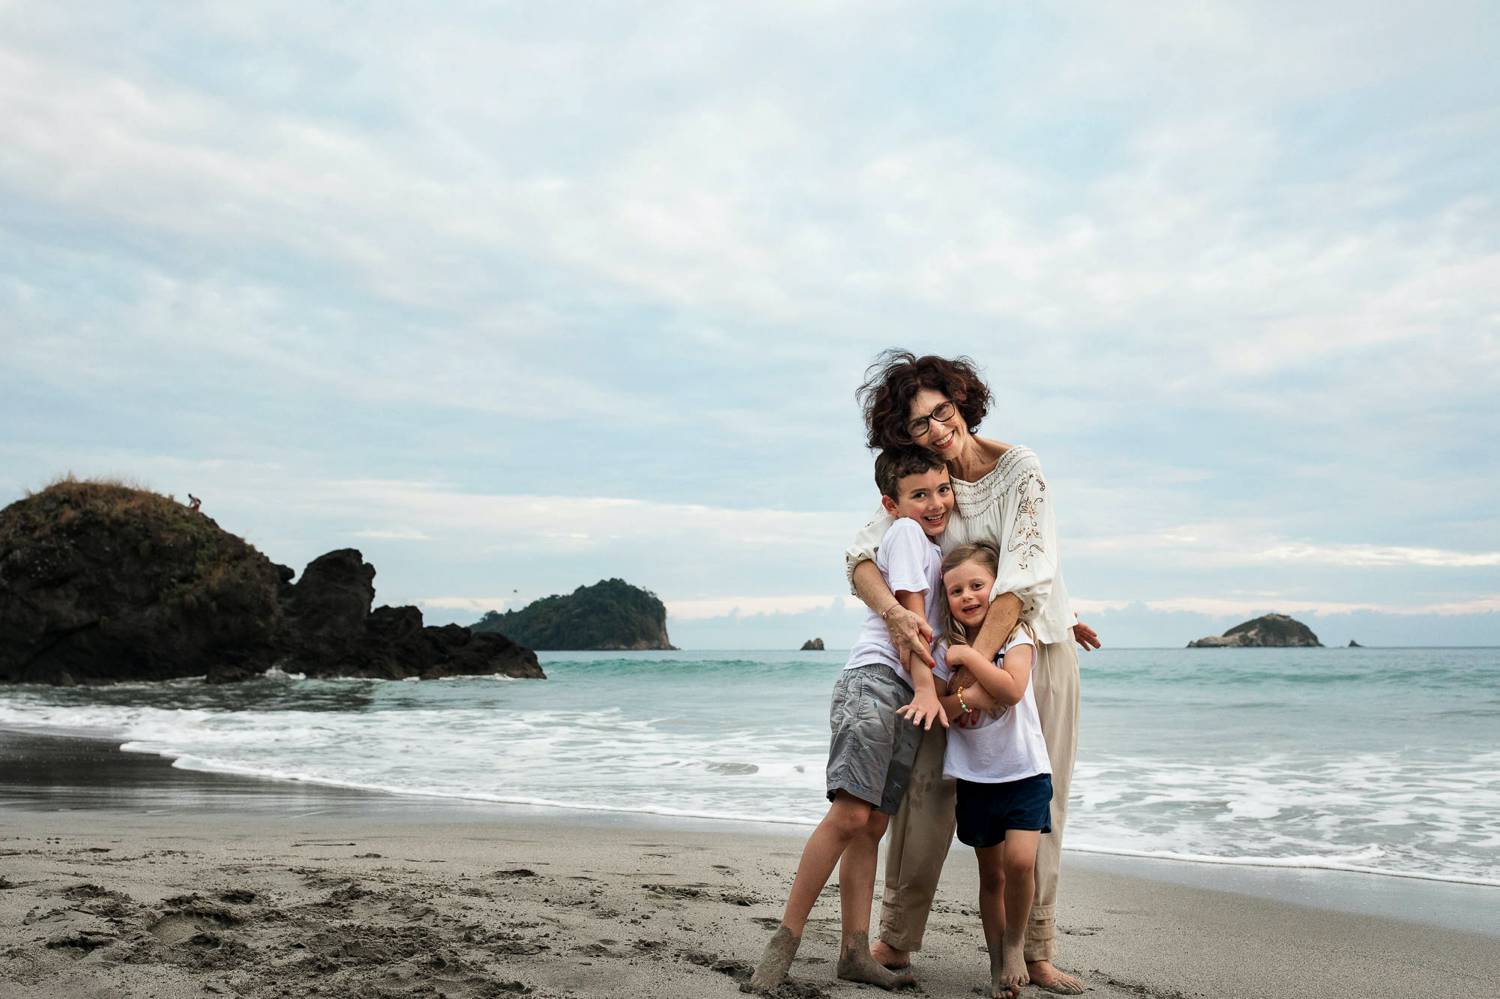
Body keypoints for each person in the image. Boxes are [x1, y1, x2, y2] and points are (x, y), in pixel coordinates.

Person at [845, 350, 1098, 994]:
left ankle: (1035, 951)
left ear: (963, 400)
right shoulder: (927, 481)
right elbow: (860, 558)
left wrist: (976, 668)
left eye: (942, 411)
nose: (936, 429)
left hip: (1029, 653)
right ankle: (896, 941)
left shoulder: (1021, 470)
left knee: (1039, 810)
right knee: (921, 800)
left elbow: (1020, 578)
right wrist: (898, 622)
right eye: (918, 425)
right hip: (944, 670)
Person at [749, 447, 953, 993]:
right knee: (849, 814)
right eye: (919, 494)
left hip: (908, 691)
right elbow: (908, 622)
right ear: (891, 503)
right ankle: (782, 946)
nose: (935, 503)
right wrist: (929, 686)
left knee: (873, 825)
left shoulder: (936, 547)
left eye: (942, 489)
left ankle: (854, 953)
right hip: (879, 681)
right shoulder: (906, 536)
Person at [900, 542, 1053, 998]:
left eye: (977, 586)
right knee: (992, 876)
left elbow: (1011, 689)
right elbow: (939, 707)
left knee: (1022, 862)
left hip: (1025, 771)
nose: (967, 596)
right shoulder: (945, 644)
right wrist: (967, 698)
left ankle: (1015, 947)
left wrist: (970, 661)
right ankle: (995, 962)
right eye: (955, 590)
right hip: (976, 778)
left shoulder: (1016, 635)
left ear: (997, 588)